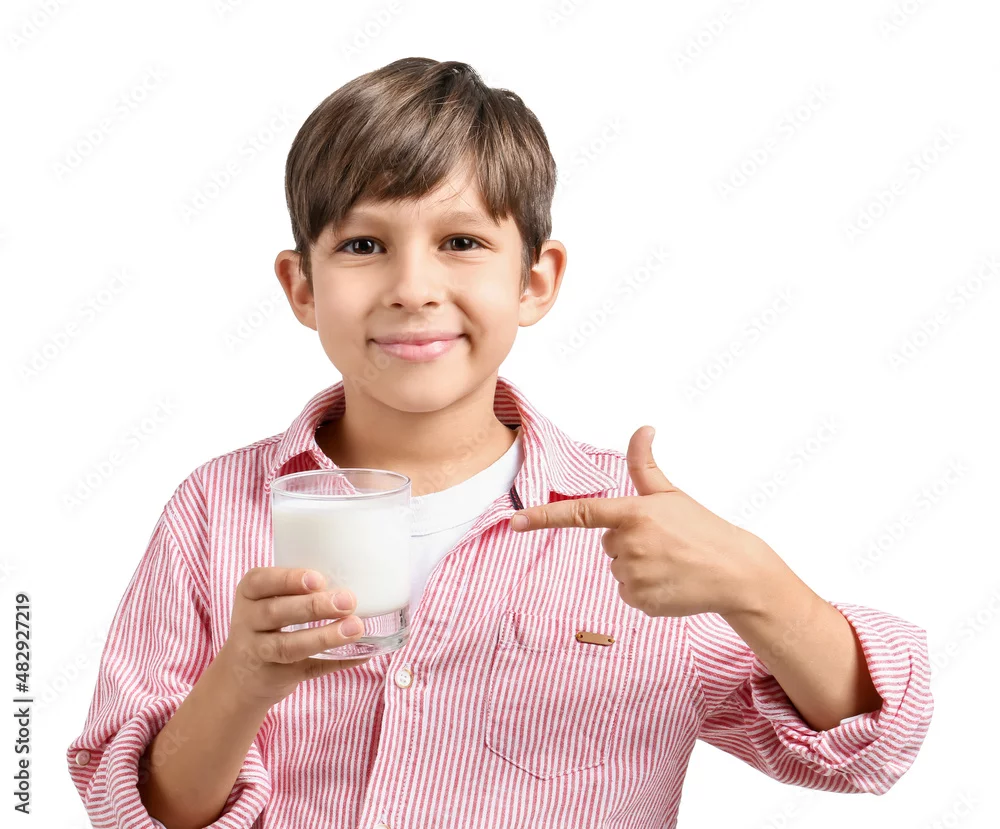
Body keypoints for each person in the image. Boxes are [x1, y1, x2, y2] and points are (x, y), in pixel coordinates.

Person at [66, 57, 933, 829]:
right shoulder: (216, 511)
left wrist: (757, 584)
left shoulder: (633, 529)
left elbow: (872, 744)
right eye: (364, 244)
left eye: (462, 242)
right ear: (302, 286)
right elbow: (130, 809)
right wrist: (240, 681)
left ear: (535, 280)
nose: (413, 288)